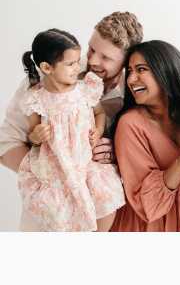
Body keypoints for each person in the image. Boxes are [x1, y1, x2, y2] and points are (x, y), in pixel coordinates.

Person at [0, 11, 143, 230]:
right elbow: (5, 142)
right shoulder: (47, 76)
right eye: (91, 49)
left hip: (98, 206)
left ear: (127, 61)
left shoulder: (134, 92)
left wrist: (116, 153)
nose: (92, 61)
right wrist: (50, 174)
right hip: (49, 212)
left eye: (106, 58)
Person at [18, 29, 125, 231]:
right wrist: (36, 135)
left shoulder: (85, 89)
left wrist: (98, 130)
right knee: (62, 214)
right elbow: (31, 135)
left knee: (105, 202)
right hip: (57, 168)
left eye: (77, 61)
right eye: (71, 64)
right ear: (47, 67)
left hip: (85, 161)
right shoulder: (37, 99)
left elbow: (99, 113)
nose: (78, 67)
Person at [110, 40, 180, 232]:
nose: (131, 79)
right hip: (148, 226)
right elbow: (148, 205)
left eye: (141, 69)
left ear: (165, 69)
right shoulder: (130, 124)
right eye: (129, 71)